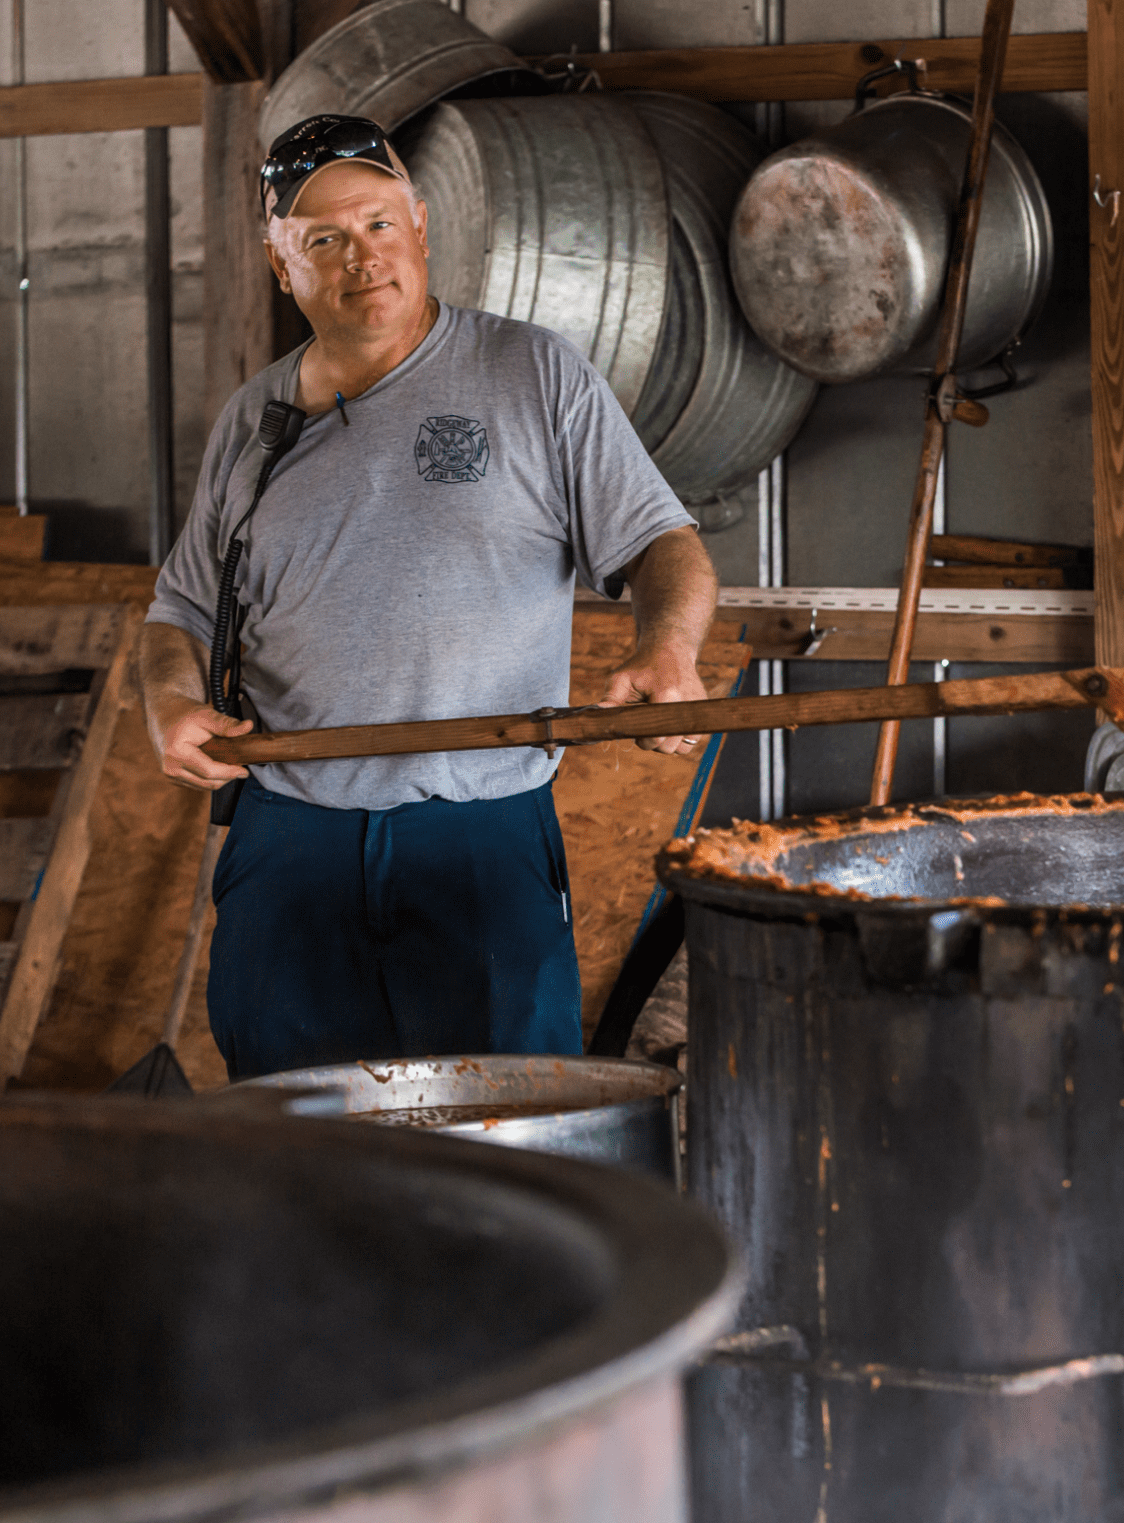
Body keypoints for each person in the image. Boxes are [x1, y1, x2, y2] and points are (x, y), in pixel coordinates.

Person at [142, 114, 717, 1079]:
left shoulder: (531, 373)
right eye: (321, 238)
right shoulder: (255, 419)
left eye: (376, 223)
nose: (358, 256)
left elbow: (664, 543)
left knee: (507, 1134)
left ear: (419, 224)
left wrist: (669, 647)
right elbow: (181, 613)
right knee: (293, 1135)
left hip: (478, 831)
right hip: (290, 834)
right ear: (284, 266)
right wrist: (167, 704)